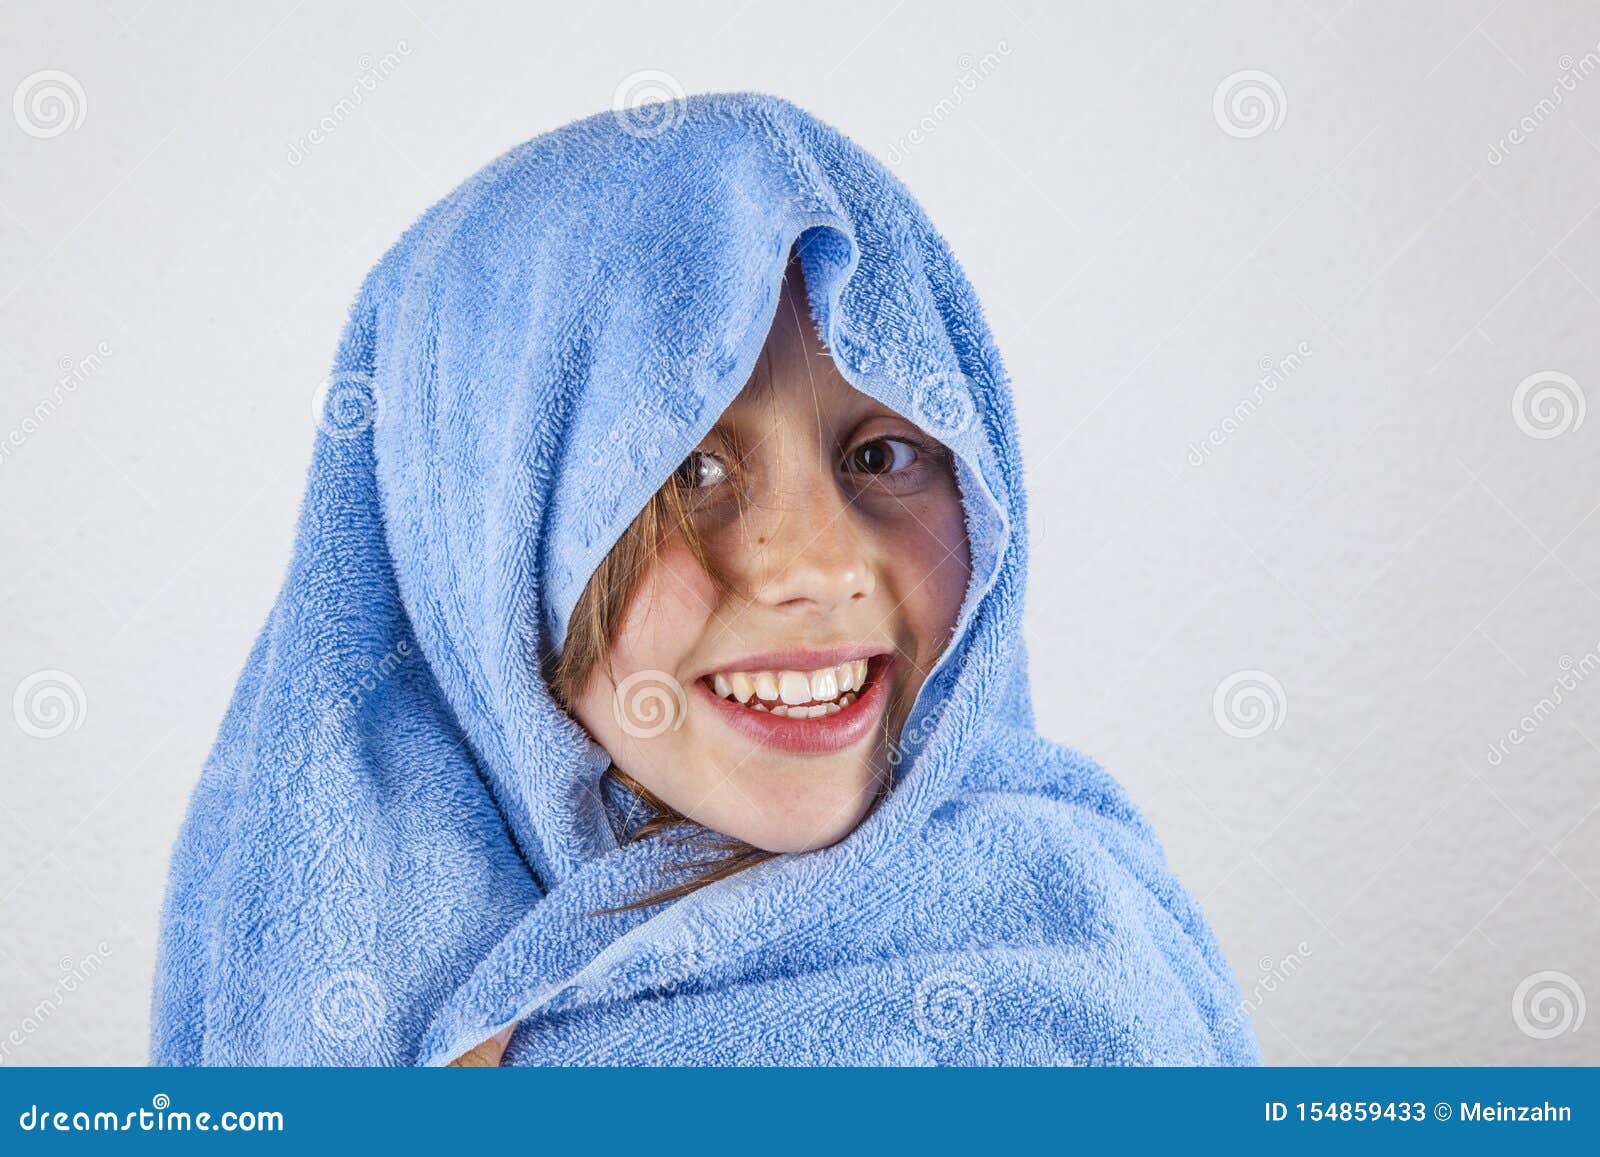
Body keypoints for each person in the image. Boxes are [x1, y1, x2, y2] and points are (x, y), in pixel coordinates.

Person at [151, 92, 1262, 1067]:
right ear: (481, 532)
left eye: (880, 453)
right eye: (690, 468)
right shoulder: (319, 957)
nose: (819, 567)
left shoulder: (1065, 979)